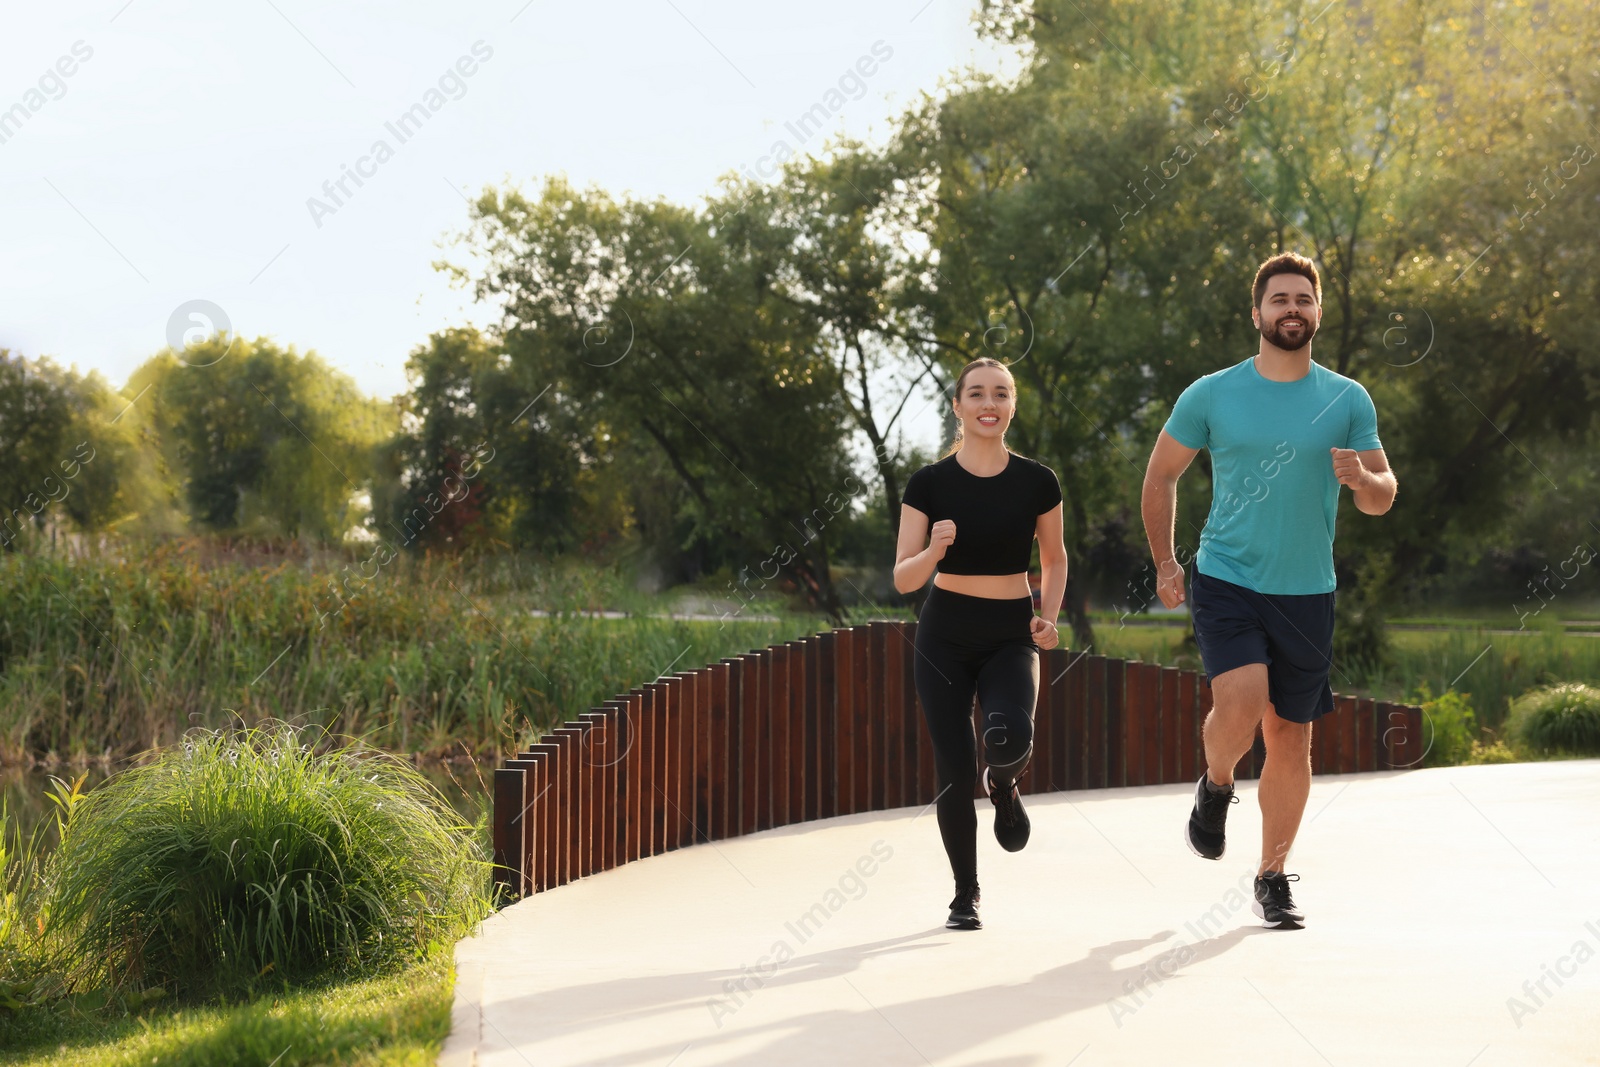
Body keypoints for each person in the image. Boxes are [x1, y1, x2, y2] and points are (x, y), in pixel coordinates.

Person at [1141, 252, 1398, 929]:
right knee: (1245, 696)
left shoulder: (1348, 398)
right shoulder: (1211, 393)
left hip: (1308, 588)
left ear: (1317, 312)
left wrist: (1363, 483)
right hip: (1227, 574)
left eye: (1303, 300)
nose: (1292, 309)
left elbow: (1383, 494)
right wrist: (1167, 563)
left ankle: (1272, 874)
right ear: (1256, 313)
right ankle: (1217, 781)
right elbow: (1161, 474)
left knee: (1290, 734)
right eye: (1279, 299)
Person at [894, 357, 1068, 931]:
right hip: (943, 633)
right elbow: (903, 578)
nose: (988, 403)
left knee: (1009, 733)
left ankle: (1006, 783)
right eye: (976, 394)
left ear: (1012, 405)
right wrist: (934, 550)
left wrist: (1048, 617)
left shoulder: (1038, 481)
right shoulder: (929, 484)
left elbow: (1054, 557)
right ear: (958, 407)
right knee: (953, 766)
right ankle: (965, 893)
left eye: (1000, 393)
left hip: (1010, 633)